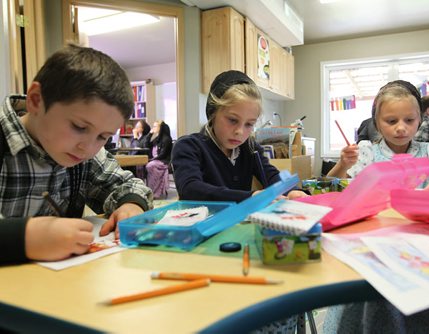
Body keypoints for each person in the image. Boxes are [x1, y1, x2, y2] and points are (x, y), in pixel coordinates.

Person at [325, 80, 429, 333]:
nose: (401, 128)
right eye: (391, 121)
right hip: (375, 242)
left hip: (422, 244)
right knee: (374, 304)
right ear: (377, 122)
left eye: (409, 120)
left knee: (426, 308)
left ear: (419, 120)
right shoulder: (366, 151)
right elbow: (329, 185)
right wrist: (343, 165)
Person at [0, 44, 153, 265]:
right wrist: (24, 238)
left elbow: (128, 185)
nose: (89, 147)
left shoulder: (82, 155)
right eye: (79, 127)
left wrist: (131, 205)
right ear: (35, 100)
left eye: (103, 136)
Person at [171, 70, 308, 203]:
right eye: (232, 120)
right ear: (213, 113)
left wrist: (291, 190)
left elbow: (271, 175)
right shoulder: (188, 147)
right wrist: (250, 197)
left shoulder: (250, 148)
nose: (240, 132)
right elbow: (190, 189)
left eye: (249, 124)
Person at [145, 120, 172, 199]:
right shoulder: (157, 138)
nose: (153, 128)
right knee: (148, 165)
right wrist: (150, 134)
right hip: (155, 160)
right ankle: (150, 191)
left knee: (150, 165)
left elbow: (163, 154)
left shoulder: (166, 139)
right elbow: (146, 145)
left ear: (161, 128)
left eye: (155, 126)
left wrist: (152, 159)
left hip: (163, 161)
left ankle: (155, 192)